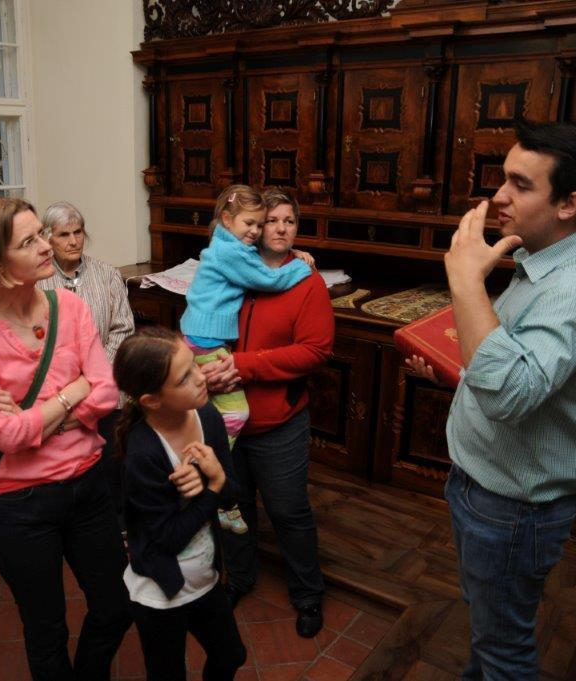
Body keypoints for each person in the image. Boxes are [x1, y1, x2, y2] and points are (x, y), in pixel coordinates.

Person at [407, 120, 576, 680]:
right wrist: (457, 374)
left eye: (521, 185)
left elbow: (508, 391)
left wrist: (465, 281)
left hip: (512, 508)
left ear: (568, 204)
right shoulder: (537, 262)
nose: (498, 197)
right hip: (482, 485)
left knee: (505, 648)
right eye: (504, 178)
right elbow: (510, 370)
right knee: (490, 629)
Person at [0, 198, 130, 680]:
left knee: (116, 606)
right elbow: (6, 435)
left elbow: (106, 391)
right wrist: (73, 393)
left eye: (41, 234)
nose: (46, 245)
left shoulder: (70, 307)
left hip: (89, 487)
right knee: (47, 630)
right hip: (20, 504)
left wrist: (40, 415)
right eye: (28, 241)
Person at [204, 188, 334, 638]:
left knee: (288, 513)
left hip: (279, 422)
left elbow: (315, 350)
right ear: (256, 227)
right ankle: (238, 578)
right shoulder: (233, 268)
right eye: (271, 221)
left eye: (289, 221)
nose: (280, 229)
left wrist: (243, 365)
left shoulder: (307, 282)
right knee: (232, 505)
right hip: (224, 416)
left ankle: (307, 593)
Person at [113, 326, 247, 681]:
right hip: (161, 592)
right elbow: (168, 539)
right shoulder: (143, 452)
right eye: (185, 377)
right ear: (152, 400)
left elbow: (232, 492)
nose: (201, 378)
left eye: (194, 365)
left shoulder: (207, 416)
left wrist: (213, 479)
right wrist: (210, 487)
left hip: (205, 578)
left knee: (231, 655)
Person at [181, 184, 313, 535]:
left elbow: (312, 350)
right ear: (227, 220)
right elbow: (266, 279)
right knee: (234, 413)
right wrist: (304, 267)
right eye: (256, 223)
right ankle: (207, 468)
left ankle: (207, 476)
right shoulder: (231, 252)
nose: (256, 231)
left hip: (202, 337)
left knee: (210, 409)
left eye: (288, 222)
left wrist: (294, 255)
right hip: (208, 341)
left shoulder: (231, 245)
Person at [37, 200, 135, 523]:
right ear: (48, 239)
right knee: (73, 469)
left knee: (112, 465)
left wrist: (97, 372)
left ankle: (117, 526)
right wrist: (72, 381)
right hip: (59, 394)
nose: (73, 241)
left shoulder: (107, 274)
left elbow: (123, 329)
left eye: (78, 232)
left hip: (107, 390)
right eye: (63, 234)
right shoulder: (38, 281)